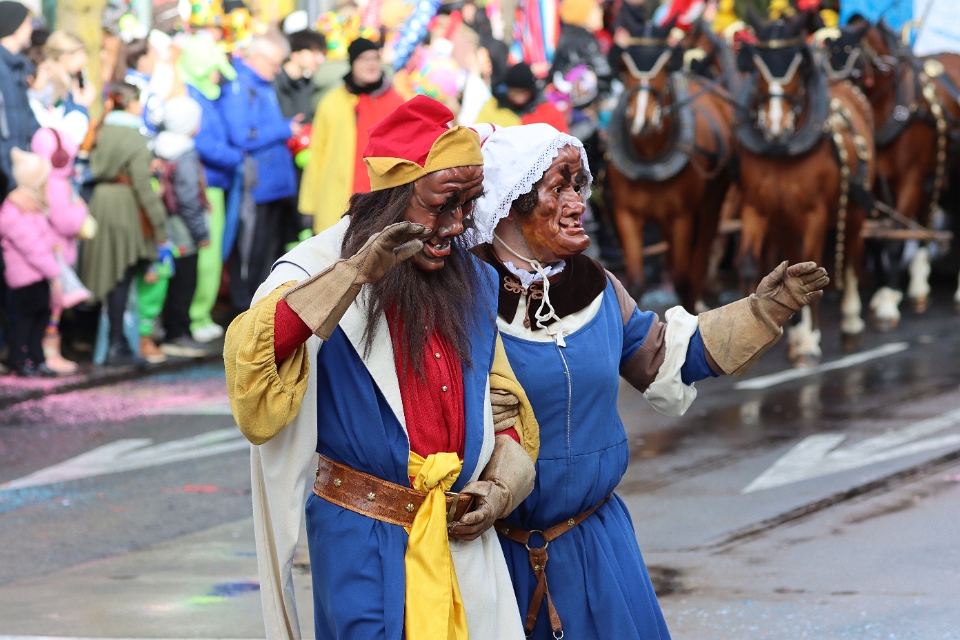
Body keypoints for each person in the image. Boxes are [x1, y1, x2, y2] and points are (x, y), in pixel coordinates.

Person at [469, 124, 830, 640]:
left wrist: (763, 310)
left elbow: (667, 360)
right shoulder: (463, 299)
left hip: (597, 548)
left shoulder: (595, 287)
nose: (577, 204)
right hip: (496, 557)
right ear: (510, 201)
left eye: (579, 186)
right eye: (558, 188)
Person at [224, 96, 537, 639]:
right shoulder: (315, 268)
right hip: (363, 549)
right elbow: (252, 368)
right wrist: (352, 275)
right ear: (393, 198)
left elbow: (506, 407)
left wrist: (500, 490)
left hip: (463, 543)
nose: (455, 225)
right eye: (441, 205)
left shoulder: (473, 279)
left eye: (467, 206)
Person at [80, 82, 169, 367]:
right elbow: (143, 186)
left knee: (104, 273)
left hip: (100, 202)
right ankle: (117, 345)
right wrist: (160, 226)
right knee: (120, 276)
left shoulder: (101, 128)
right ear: (130, 103)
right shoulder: (134, 136)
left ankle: (96, 344)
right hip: (125, 207)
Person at [219, 32, 302, 310]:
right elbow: (242, 135)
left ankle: (260, 306)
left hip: (273, 183)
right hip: (257, 185)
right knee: (250, 253)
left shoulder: (262, 85)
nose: (277, 70)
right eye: (274, 64)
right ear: (256, 57)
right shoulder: (240, 86)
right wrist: (284, 129)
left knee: (266, 252)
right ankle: (243, 310)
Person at [297, 37, 405, 234]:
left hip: (380, 205)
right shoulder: (332, 102)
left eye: (375, 58)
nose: (371, 64)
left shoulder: (396, 103)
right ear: (352, 63)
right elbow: (317, 155)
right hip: (336, 203)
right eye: (364, 59)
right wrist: (308, 206)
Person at [177, 35, 243, 343]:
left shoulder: (202, 95)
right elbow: (205, 143)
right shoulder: (193, 99)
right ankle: (196, 316)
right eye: (215, 68)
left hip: (214, 184)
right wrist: (236, 157)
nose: (219, 75)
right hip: (206, 187)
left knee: (213, 254)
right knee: (206, 253)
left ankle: (199, 314)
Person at [137, 96, 211, 361]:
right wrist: (201, 233)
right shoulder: (185, 154)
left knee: (165, 281)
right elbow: (188, 199)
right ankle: (177, 333)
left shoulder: (156, 146)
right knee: (185, 282)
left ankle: (161, 330)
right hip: (183, 231)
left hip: (163, 227)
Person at [31, 126, 96, 374]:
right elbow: (66, 221)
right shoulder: (57, 184)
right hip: (55, 254)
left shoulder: (41, 179)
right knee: (53, 308)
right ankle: (49, 353)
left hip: (48, 253)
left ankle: (45, 351)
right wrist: (80, 208)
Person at [0, 148, 59, 377]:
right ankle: (19, 359)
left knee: (41, 316)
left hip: (38, 273)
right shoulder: (15, 209)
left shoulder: (31, 205)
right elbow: (31, 246)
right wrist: (53, 271)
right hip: (26, 276)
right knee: (25, 319)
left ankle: (36, 357)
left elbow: (42, 238)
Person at [0, 0, 40, 194]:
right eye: (28, 23)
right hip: (6, 182)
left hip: (18, 173)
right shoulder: (3, 69)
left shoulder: (16, 66)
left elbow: (26, 118)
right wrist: (9, 185)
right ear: (14, 26)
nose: (31, 28)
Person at [33, 31, 97, 145]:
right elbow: (58, 132)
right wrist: (81, 106)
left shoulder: (68, 80)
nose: (85, 59)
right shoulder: (49, 84)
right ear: (66, 56)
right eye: (81, 54)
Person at [476, 62, 570, 132]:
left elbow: (563, 139)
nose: (518, 97)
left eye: (523, 92)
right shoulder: (492, 107)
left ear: (531, 90)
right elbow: (477, 134)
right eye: (514, 92)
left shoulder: (547, 110)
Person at [274, 29, 326, 121]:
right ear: (295, 54)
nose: (320, 60)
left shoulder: (308, 86)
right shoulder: (273, 82)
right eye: (314, 53)